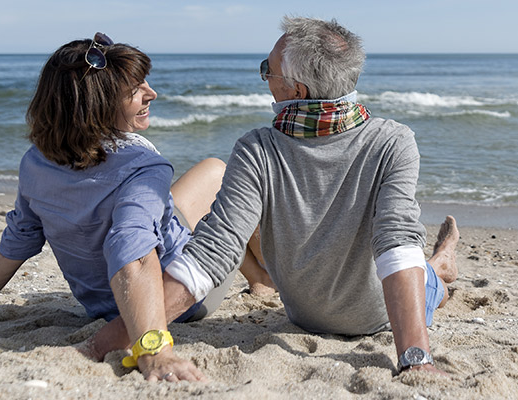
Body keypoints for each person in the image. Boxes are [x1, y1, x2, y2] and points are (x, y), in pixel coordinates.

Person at [0, 33, 267, 382]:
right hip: (180, 303)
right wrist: (153, 348)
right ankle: (262, 279)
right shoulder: (143, 167)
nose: (152, 93)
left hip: (100, 307)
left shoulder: (36, 162)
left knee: (187, 197)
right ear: (99, 104)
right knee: (221, 173)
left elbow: (17, 243)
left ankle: (258, 279)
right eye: (136, 90)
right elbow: (134, 256)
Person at [148, 16, 461, 376]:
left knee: (429, 284)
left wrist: (416, 358)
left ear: (295, 91)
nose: (265, 77)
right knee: (416, 265)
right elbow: (397, 241)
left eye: (268, 69)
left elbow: (216, 249)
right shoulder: (394, 140)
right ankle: (440, 262)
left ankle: (440, 265)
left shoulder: (259, 149)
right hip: (359, 310)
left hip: (372, 317)